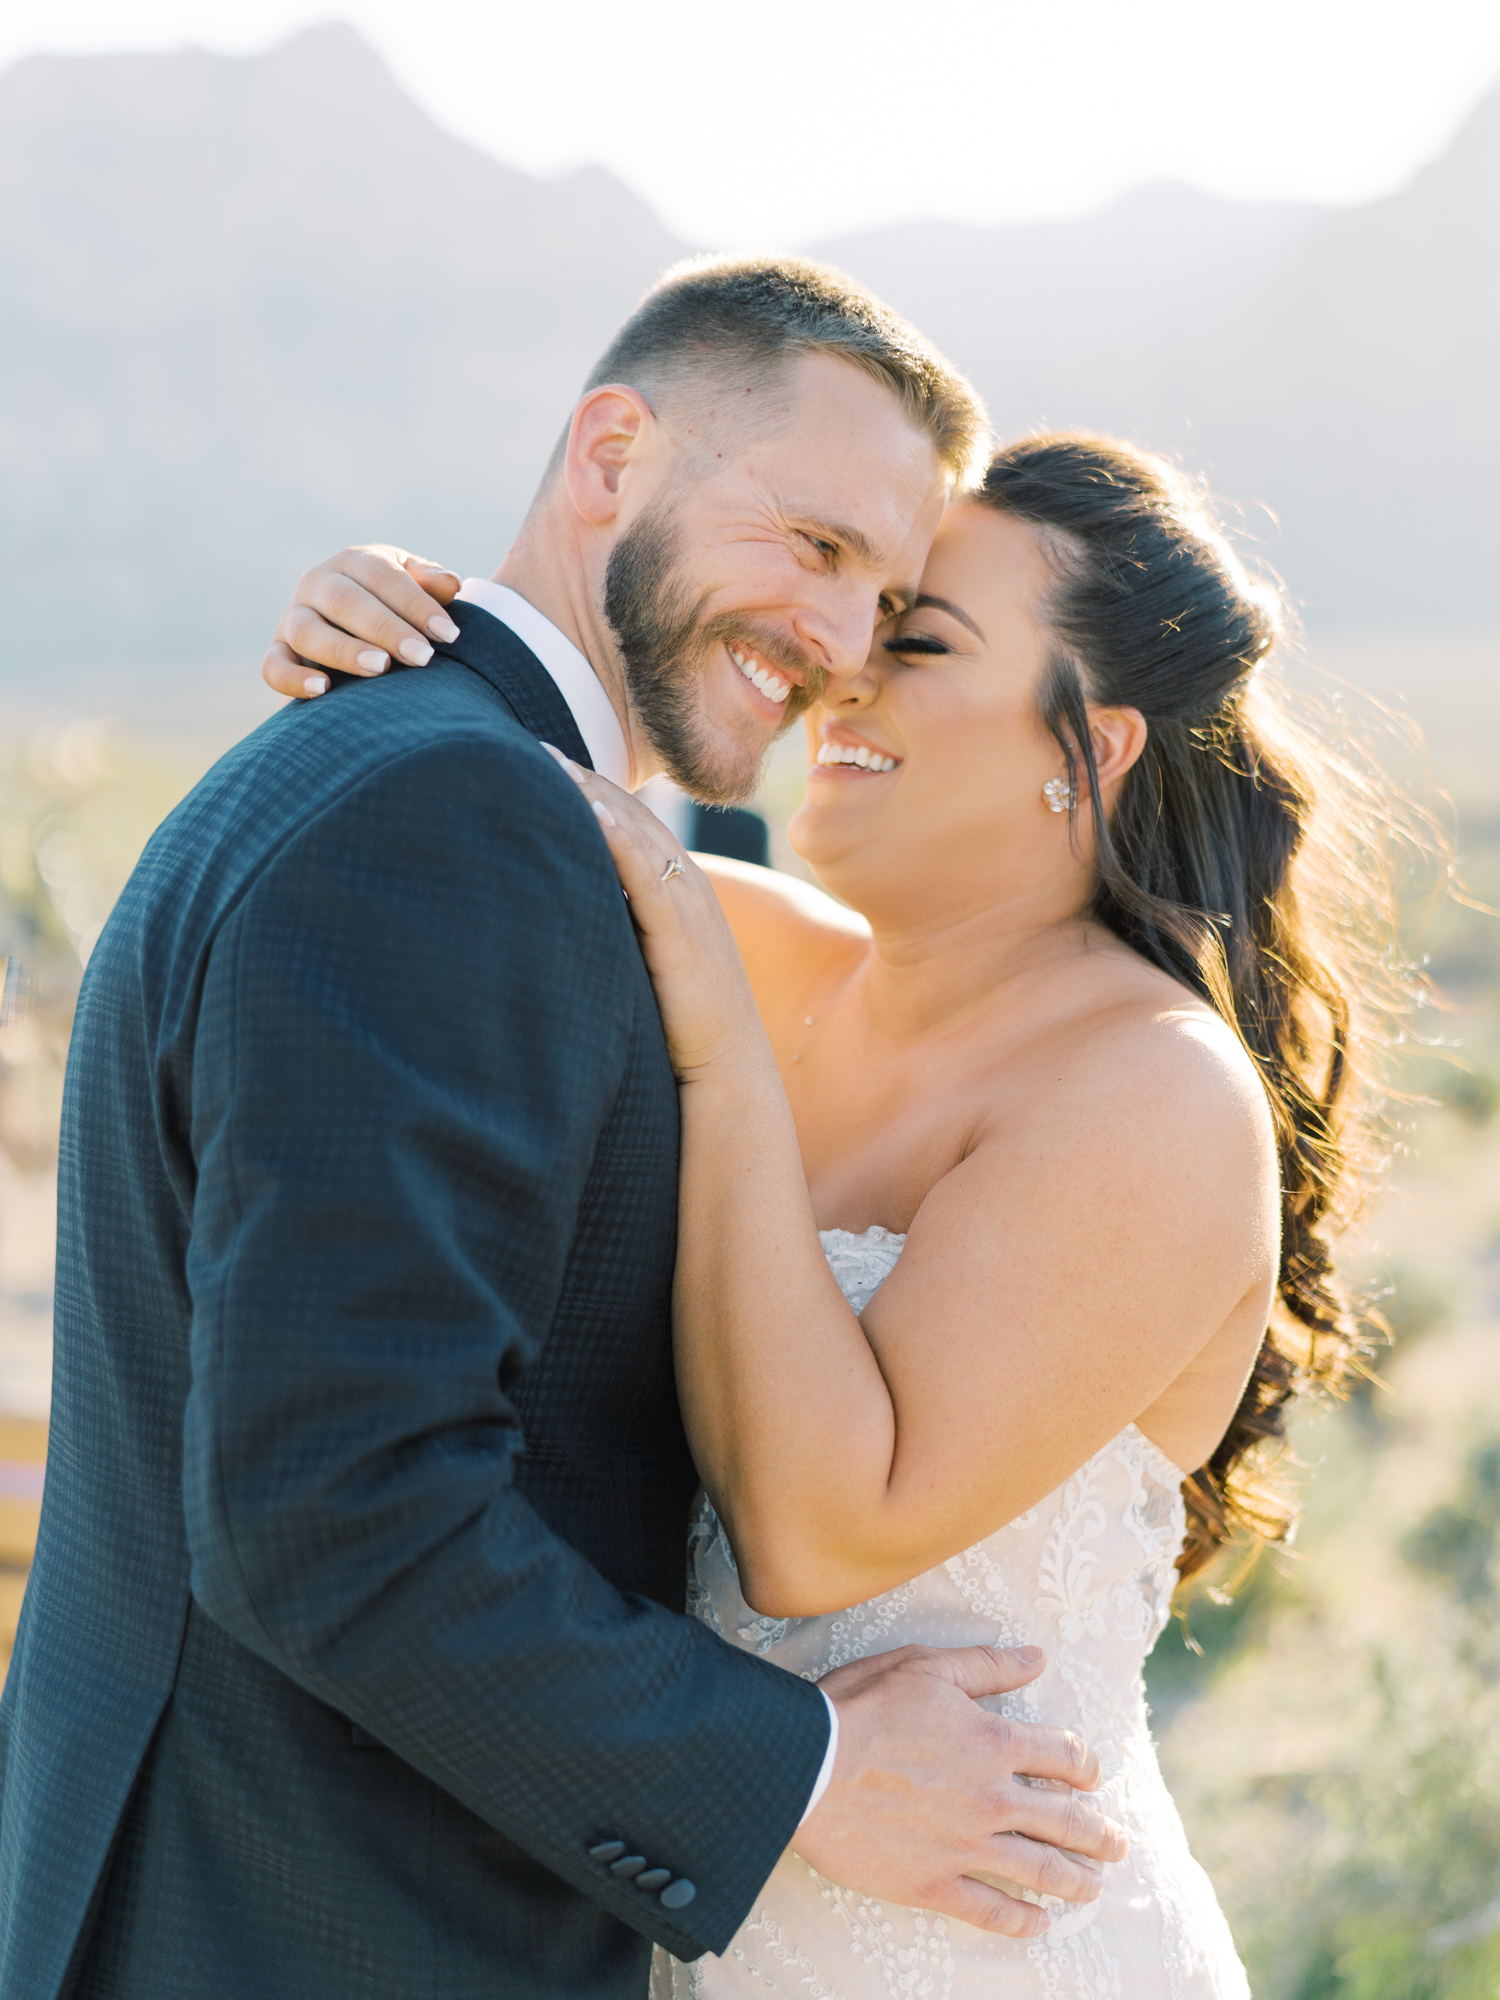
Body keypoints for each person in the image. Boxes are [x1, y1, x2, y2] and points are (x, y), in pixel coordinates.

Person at [0, 259, 1129, 2000]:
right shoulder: (455, 815)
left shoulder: (449, 782)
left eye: (892, 603)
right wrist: (814, 1774)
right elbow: (336, 1511)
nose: (837, 648)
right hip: (314, 1927)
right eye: (814, 547)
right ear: (612, 454)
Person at [279, 432, 1389, 1996]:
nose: (846, 675)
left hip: (995, 1953)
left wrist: (724, 1057)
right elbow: (438, 817)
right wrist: (391, 640)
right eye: (862, 625)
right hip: (695, 1921)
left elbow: (816, 1535)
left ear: (1095, 747)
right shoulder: (747, 939)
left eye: (919, 642)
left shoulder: (1154, 1095)